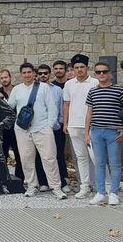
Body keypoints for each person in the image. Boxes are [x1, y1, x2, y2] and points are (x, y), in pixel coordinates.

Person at [7, 63, 67, 200]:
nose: (27, 75)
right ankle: (32, 185)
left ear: (34, 74)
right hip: (23, 129)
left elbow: (52, 107)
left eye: (29, 72)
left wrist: (49, 126)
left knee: (49, 158)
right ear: (21, 74)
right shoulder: (17, 89)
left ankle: (56, 187)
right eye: (24, 73)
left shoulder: (44, 87)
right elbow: (10, 106)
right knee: (26, 159)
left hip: (42, 128)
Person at [84, 62, 123, 205]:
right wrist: (86, 133)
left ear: (110, 73)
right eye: (98, 72)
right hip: (96, 131)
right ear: (95, 74)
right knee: (99, 163)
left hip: (113, 132)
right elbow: (89, 113)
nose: (101, 74)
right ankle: (100, 192)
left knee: (115, 164)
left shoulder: (119, 90)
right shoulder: (92, 91)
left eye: (104, 71)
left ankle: (113, 193)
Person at [63, 54, 99, 199]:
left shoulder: (95, 82)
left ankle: (101, 185)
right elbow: (66, 104)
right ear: (73, 69)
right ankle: (85, 186)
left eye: (82, 67)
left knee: (96, 157)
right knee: (81, 157)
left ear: (87, 67)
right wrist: (65, 123)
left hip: (92, 125)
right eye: (76, 68)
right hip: (74, 125)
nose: (79, 70)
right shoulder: (69, 84)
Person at [34, 65, 69, 193]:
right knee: (40, 155)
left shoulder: (58, 90)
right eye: (40, 73)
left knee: (57, 154)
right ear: (37, 75)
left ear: (50, 74)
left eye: (46, 73)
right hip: (39, 128)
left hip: (55, 128)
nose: (43, 75)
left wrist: (59, 123)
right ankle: (43, 182)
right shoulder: (33, 89)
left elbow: (61, 107)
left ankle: (62, 182)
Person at [0, 69, 24, 180]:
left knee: (20, 154)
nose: (4, 80)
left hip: (18, 127)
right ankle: (2, 179)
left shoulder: (19, 90)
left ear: (10, 77)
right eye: (1, 78)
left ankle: (19, 178)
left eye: (6, 77)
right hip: (3, 129)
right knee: (2, 155)